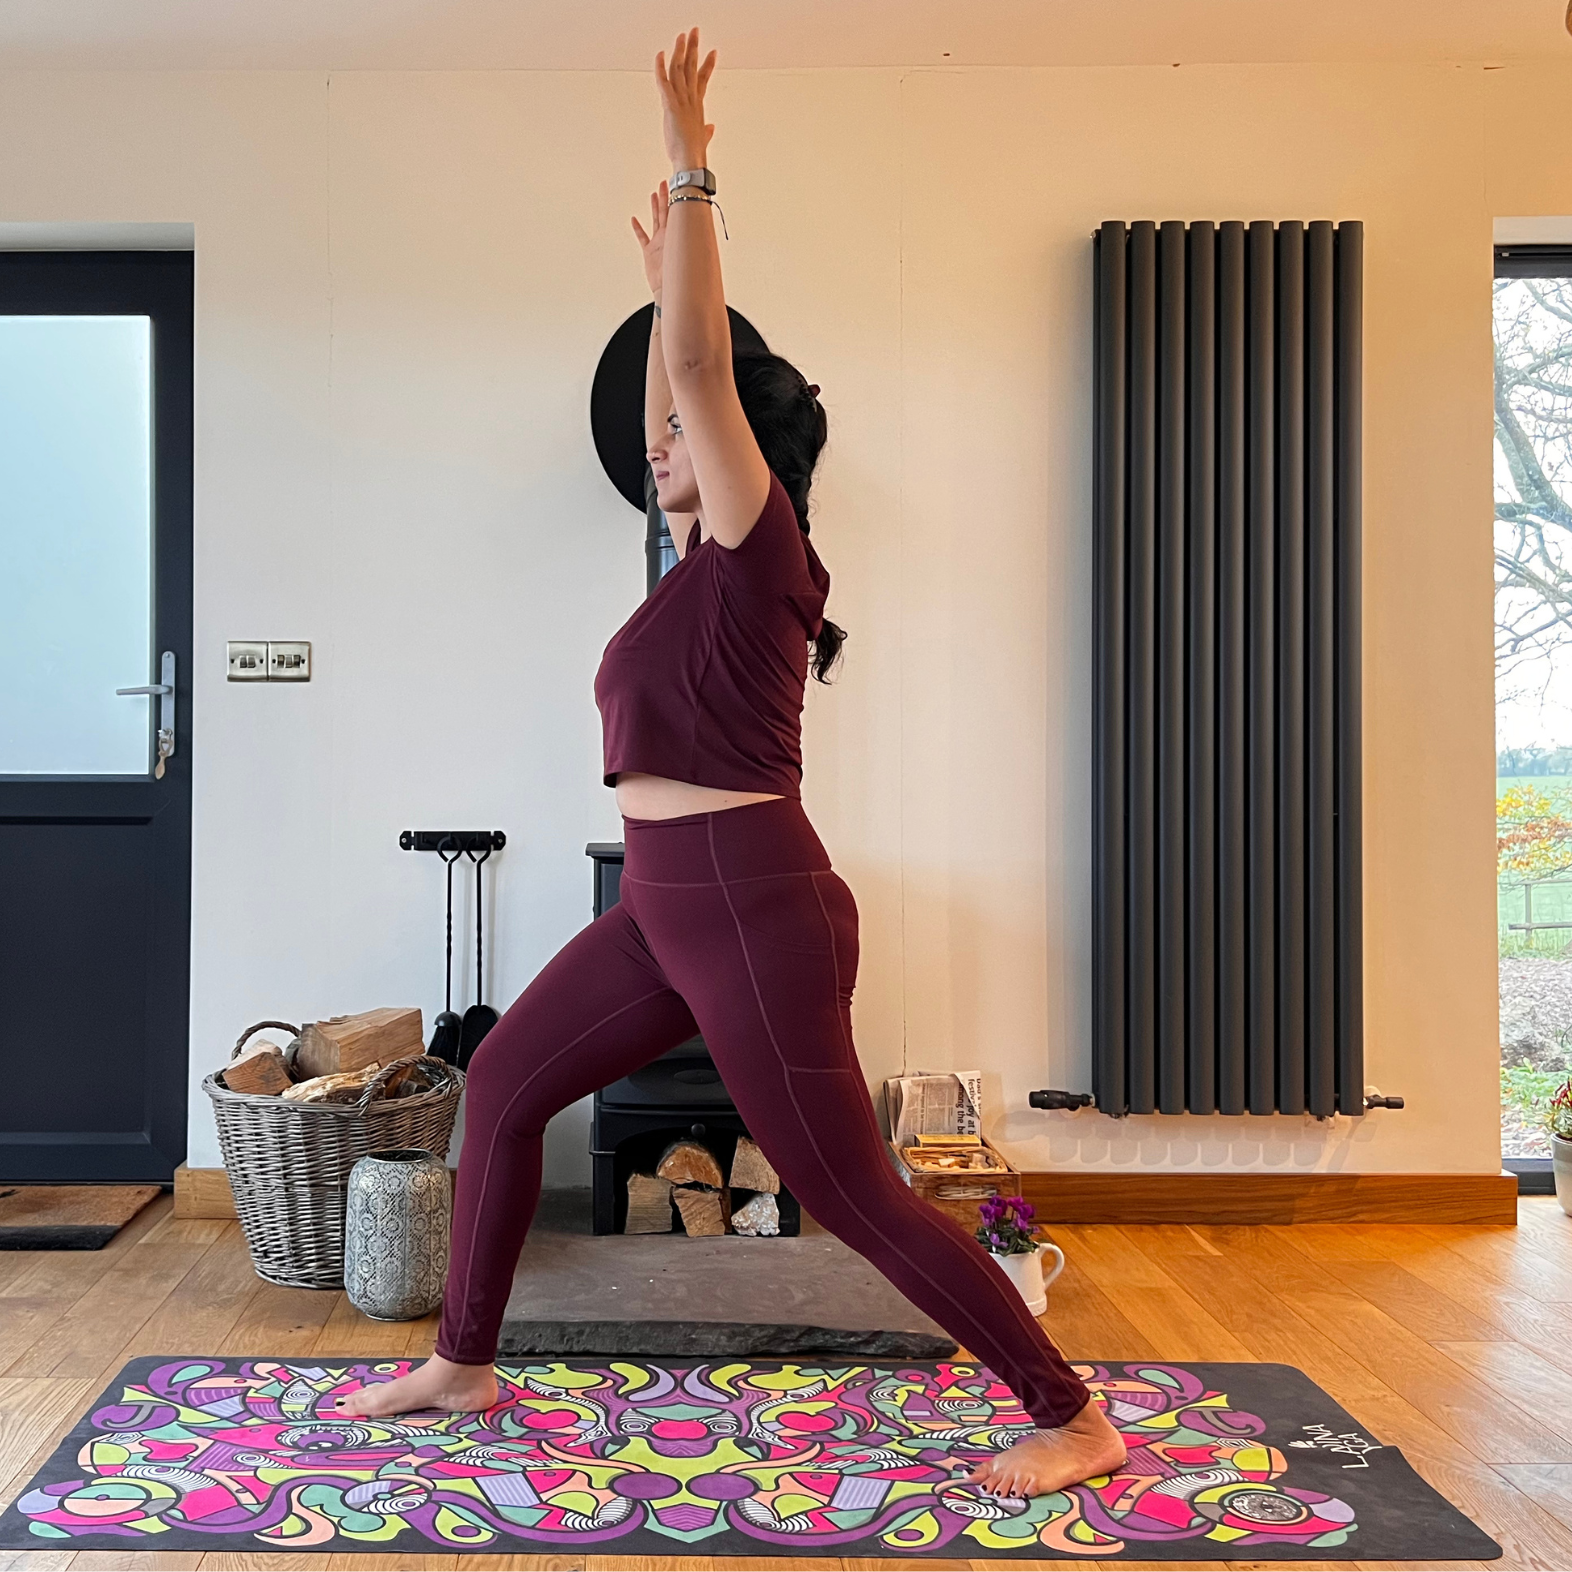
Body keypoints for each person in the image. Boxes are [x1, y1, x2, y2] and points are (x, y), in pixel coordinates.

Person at [334, 27, 1127, 1500]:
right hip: (664, 901)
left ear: (744, 444)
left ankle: (1067, 1410)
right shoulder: (687, 566)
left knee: (843, 1184)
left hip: (754, 900)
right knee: (503, 1085)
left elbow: (699, 368)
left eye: (685, 432)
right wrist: (655, 295)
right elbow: (670, 378)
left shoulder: (769, 552)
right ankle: (464, 1353)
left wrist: (695, 172)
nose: (659, 447)